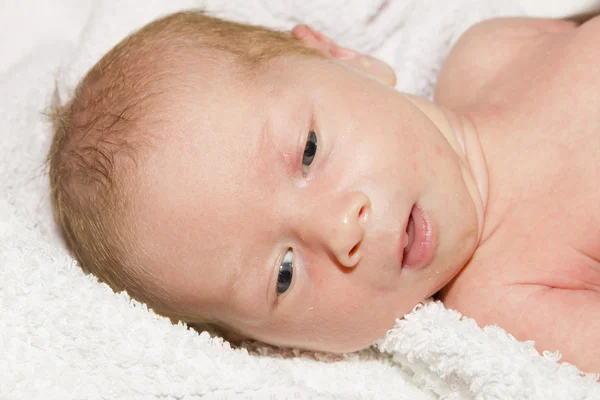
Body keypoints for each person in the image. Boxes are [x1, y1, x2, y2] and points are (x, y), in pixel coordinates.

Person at [47, 10, 600, 373]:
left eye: (309, 151)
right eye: (283, 274)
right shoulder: (508, 298)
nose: (341, 229)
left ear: (340, 55)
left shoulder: (486, 50)